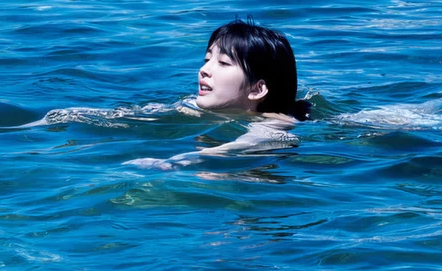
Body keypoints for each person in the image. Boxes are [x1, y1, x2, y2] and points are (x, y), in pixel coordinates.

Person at [44, 19, 308, 167]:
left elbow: (242, 146)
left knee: (216, 175)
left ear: (257, 89)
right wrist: (74, 115)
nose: (204, 70)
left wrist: (174, 163)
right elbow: (137, 116)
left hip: (257, 182)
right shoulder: (195, 105)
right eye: (207, 59)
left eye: (223, 63)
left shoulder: (276, 123)